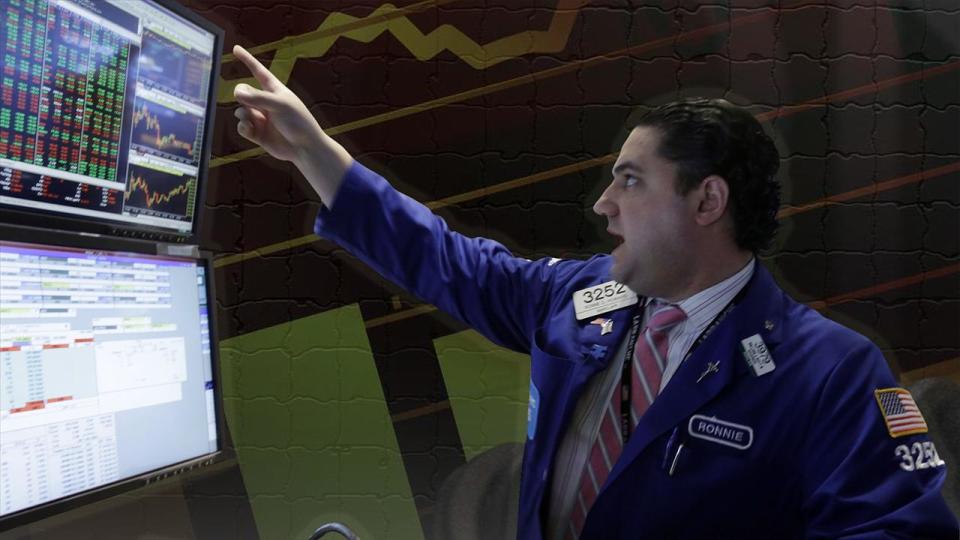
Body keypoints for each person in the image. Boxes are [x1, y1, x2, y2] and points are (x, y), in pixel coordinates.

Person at [229, 44, 958, 539]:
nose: (603, 204)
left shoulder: (834, 371)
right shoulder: (590, 299)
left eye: (631, 180)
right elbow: (450, 263)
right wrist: (313, 153)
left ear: (707, 203)